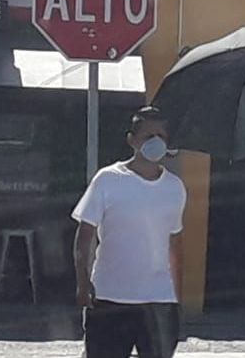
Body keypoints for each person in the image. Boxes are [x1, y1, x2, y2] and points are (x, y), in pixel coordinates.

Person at [72, 106, 187, 358]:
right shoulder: (108, 180)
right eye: (148, 136)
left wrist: (177, 298)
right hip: (110, 297)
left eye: (161, 137)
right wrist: (82, 282)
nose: (155, 142)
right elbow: (85, 234)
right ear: (132, 141)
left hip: (158, 300)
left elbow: (175, 242)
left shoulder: (174, 187)